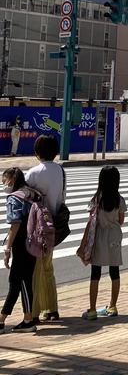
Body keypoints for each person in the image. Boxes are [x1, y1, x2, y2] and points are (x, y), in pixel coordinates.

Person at [25, 134, 65, 322]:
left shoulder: (33, 173)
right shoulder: (61, 171)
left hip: (37, 226)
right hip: (54, 224)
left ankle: (34, 312)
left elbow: (26, 199)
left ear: (37, 152)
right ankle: (51, 308)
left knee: (35, 270)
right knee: (48, 266)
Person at [82, 165, 126, 320]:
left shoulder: (96, 199)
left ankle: (92, 310)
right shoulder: (119, 199)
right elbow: (121, 221)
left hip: (99, 236)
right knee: (114, 272)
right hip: (114, 236)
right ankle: (112, 306)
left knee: (95, 273)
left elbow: (91, 221)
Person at [1, 167, 37, 331]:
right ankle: (2, 319)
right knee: (16, 281)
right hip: (34, 242)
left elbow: (15, 224)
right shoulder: (32, 193)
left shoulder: (14, 198)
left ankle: (28, 320)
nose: (3, 183)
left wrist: (7, 249)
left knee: (22, 281)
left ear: (13, 179)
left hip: (21, 244)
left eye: (5, 180)